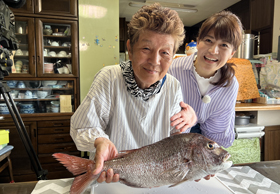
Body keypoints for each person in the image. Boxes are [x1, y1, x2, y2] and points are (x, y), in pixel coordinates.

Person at [70, 3, 197, 184]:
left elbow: (174, 142)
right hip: (109, 180)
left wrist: (187, 126)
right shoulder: (109, 78)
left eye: (165, 52)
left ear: (173, 55)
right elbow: (82, 127)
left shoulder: (173, 87)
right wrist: (99, 141)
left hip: (155, 181)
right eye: (146, 49)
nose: (155, 61)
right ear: (130, 48)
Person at [169, 10, 243, 148]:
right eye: (209, 40)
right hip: (172, 140)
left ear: (232, 53)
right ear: (198, 42)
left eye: (224, 45)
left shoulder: (229, 85)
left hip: (206, 145)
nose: (213, 50)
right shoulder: (172, 70)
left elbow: (219, 137)